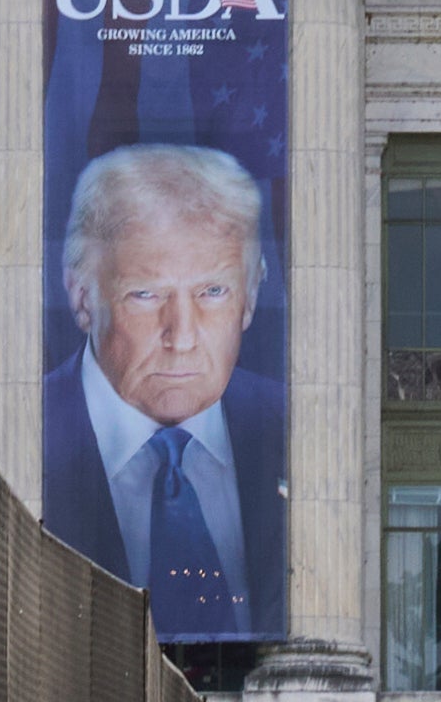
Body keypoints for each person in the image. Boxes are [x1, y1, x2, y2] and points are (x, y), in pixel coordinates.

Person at [38, 141, 288, 641]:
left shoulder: (293, 427)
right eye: (146, 294)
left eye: (212, 291)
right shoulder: (25, 428)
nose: (183, 336)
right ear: (82, 297)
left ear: (251, 296)